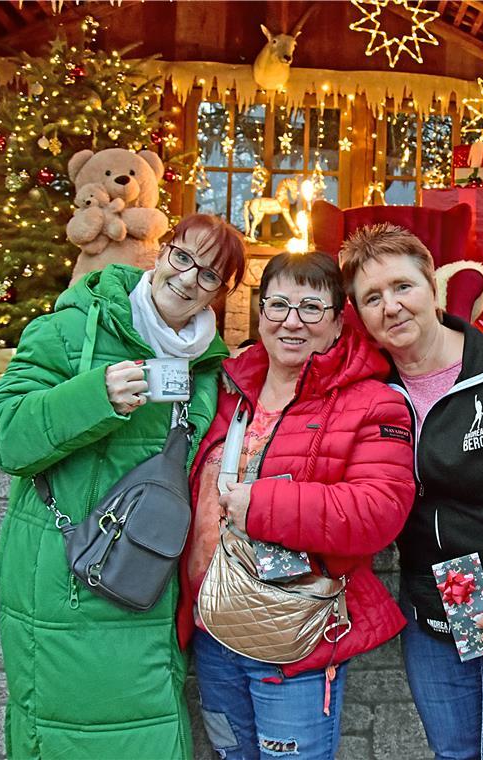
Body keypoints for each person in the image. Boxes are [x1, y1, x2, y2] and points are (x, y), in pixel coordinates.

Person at [0, 213, 245, 759]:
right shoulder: (70, 330)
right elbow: (1, 436)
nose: (190, 278)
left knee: (148, 733)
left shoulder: (211, 370)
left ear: (221, 293)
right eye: (183, 257)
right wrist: (93, 396)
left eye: (211, 276)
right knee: (64, 735)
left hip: (151, 591)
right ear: (161, 252)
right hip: (66, 581)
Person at [339, 224, 483, 760]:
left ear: (433, 288)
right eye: (372, 298)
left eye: (403, 287)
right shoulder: (370, 393)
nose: (391, 307)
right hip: (432, 603)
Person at [176, 251, 416, 760]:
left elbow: (379, 511)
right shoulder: (225, 388)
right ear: (259, 312)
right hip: (212, 625)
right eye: (278, 305)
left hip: (292, 637)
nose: (291, 321)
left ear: (337, 321)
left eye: (311, 308)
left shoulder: (374, 402)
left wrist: (261, 504)